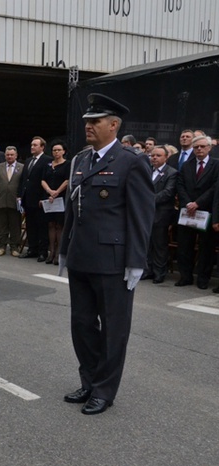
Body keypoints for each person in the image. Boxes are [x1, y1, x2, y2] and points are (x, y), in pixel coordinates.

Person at [58, 93, 154, 415]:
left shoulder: (131, 161)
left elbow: (141, 215)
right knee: (81, 325)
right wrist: (63, 249)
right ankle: (89, 380)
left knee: (114, 330)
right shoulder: (81, 160)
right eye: (87, 121)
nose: (88, 125)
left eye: (95, 121)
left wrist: (136, 262)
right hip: (81, 257)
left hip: (113, 261)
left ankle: (104, 390)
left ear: (113, 125)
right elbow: (73, 207)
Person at [175, 134, 218, 289]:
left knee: (206, 247)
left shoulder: (216, 164)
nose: (199, 149)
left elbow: (215, 188)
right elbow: (180, 185)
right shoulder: (187, 165)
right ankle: (185, 276)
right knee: (184, 246)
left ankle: (203, 278)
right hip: (187, 211)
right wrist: (188, 203)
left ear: (209, 147)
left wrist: (198, 203)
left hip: (205, 211)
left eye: (202, 146)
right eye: (196, 147)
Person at [143, 145, 177, 284]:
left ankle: (159, 272)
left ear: (166, 157)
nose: (154, 158)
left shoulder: (171, 173)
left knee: (159, 244)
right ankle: (148, 270)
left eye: (158, 155)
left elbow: (168, 193)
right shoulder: (147, 170)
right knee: (147, 243)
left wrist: (148, 200)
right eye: (152, 155)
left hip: (161, 213)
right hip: (146, 213)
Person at [18, 136, 52, 261]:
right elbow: (24, 180)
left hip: (39, 200)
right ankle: (32, 249)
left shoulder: (47, 160)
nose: (32, 147)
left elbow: (47, 179)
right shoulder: (28, 161)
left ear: (42, 147)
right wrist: (20, 195)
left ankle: (43, 251)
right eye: (31, 145)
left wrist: (44, 198)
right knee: (30, 225)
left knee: (42, 226)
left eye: (35, 145)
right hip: (27, 199)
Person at [0, 146, 24, 257]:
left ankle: (14, 247)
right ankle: (1, 247)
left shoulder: (22, 167)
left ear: (16, 155)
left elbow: (23, 185)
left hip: (15, 202)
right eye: (7, 155)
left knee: (15, 226)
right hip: (1, 201)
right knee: (1, 226)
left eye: (11, 155)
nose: (9, 156)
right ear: (5, 156)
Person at [40, 141, 70, 265]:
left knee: (59, 225)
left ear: (64, 151)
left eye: (58, 150)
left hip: (61, 197)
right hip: (49, 197)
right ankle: (51, 252)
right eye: (54, 150)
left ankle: (58, 253)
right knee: (50, 225)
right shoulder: (48, 165)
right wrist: (49, 191)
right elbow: (42, 180)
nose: (56, 152)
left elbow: (67, 180)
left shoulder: (67, 164)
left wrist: (56, 192)